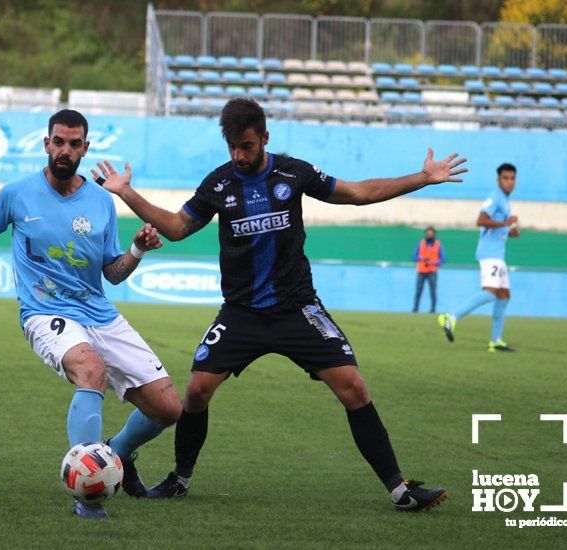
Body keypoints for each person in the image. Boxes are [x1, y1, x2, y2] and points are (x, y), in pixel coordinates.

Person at [92, 97, 466, 512]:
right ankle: (180, 479)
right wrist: (126, 193)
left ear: (265, 138)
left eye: (247, 146)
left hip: (297, 309)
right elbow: (178, 227)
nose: (238, 155)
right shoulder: (219, 184)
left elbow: (358, 193)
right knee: (196, 392)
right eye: (232, 146)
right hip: (241, 314)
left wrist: (421, 178)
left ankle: (400, 491)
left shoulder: (294, 172)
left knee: (354, 389)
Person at [0, 109, 182, 519]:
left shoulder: (102, 202)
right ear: (46, 144)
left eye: (74, 143)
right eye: (58, 141)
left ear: (85, 147)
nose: (65, 150)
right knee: (91, 370)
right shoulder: (17, 194)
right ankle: (88, 495)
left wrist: (136, 249)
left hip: (97, 311)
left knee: (169, 409)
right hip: (45, 312)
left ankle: (114, 454)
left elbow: (112, 274)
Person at [438, 163, 519, 352]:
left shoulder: (505, 200)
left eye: (512, 178)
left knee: (504, 296)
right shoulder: (495, 196)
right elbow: (481, 220)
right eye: (505, 178)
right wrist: (506, 222)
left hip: (499, 255)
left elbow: (500, 226)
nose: (509, 182)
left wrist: (511, 230)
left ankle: (495, 340)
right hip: (490, 254)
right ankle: (451, 317)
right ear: (498, 180)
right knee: (491, 292)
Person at [412, 226, 446, 313]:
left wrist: (433, 263)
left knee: (433, 291)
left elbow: (443, 259)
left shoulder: (438, 244)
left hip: (432, 271)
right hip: (421, 271)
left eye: (431, 234)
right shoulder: (421, 243)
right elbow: (414, 256)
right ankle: (415, 309)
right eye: (428, 234)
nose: (429, 235)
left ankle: (433, 309)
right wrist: (421, 259)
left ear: (434, 234)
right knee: (418, 291)